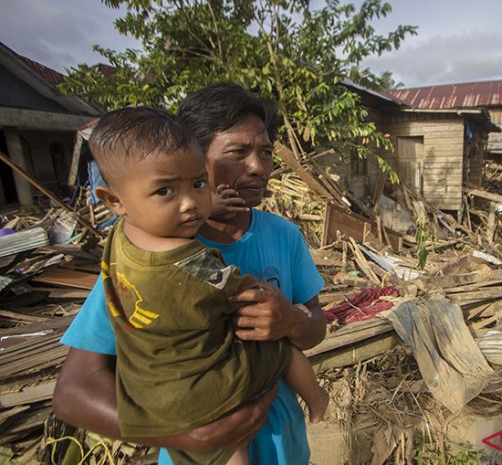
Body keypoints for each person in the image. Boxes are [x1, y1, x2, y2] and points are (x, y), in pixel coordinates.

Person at [53, 83, 327, 465]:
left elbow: (317, 327)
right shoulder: (149, 260)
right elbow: (73, 393)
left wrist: (291, 320)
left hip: (288, 448)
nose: (259, 167)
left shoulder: (284, 236)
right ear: (196, 154)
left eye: (265, 152)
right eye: (238, 152)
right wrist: (189, 434)